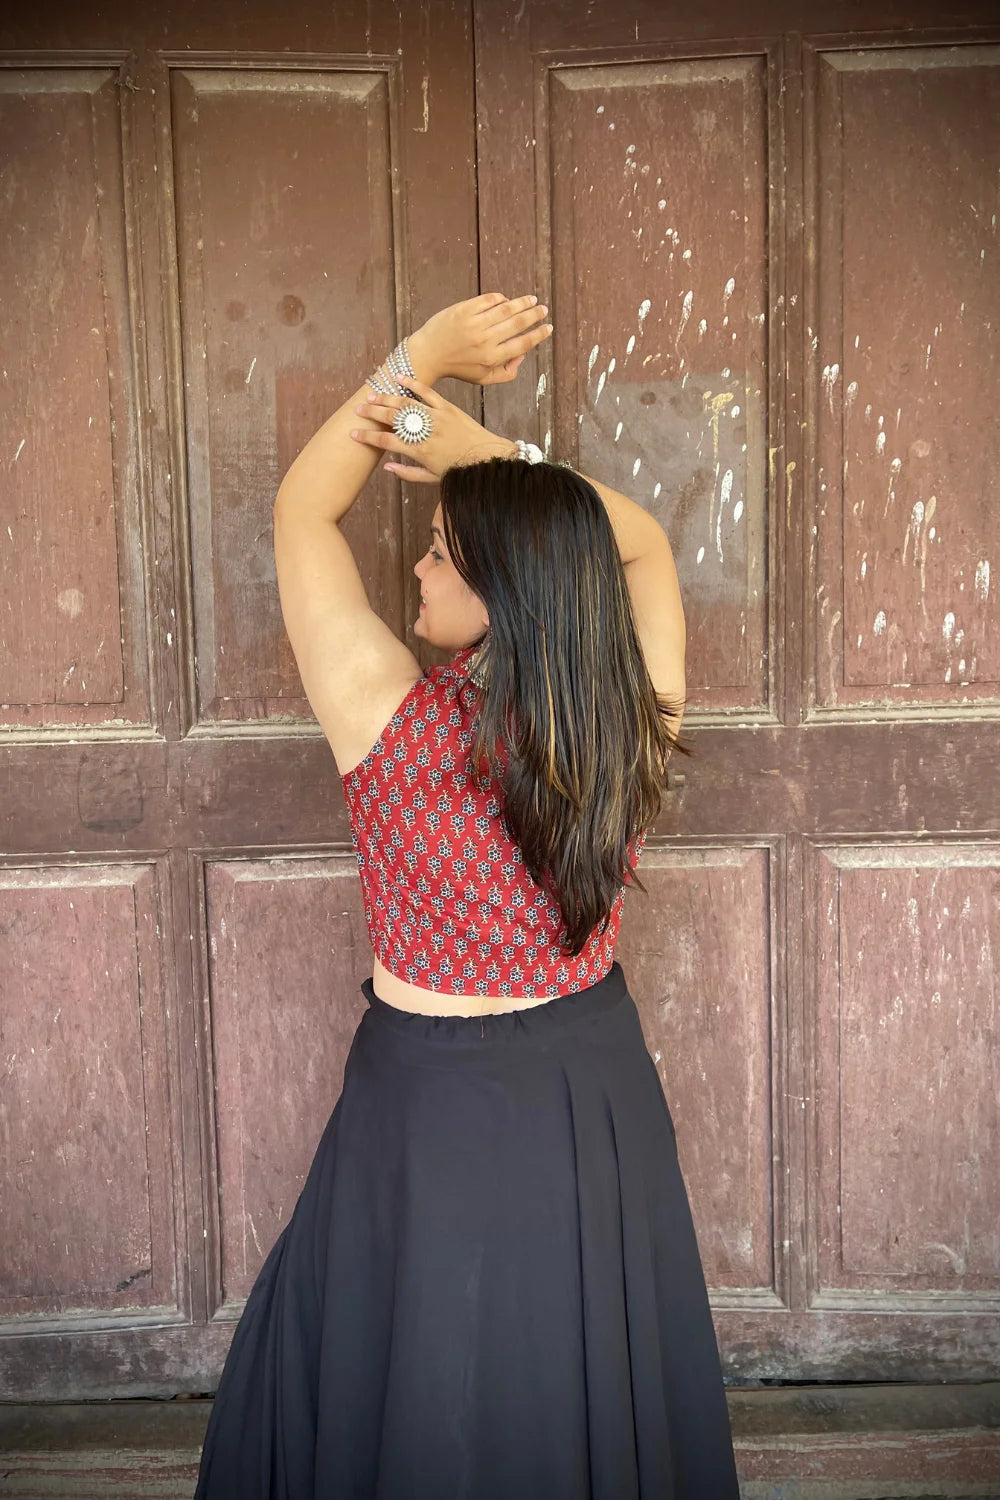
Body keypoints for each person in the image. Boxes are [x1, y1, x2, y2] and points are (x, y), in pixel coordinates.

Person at [194, 294, 740, 1498]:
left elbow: (302, 507)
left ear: (504, 586)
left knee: (412, 1384)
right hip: (589, 1085)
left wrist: (417, 368)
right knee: (574, 1375)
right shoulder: (627, 714)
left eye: (444, 549)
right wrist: (480, 458)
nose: (420, 567)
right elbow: (634, 543)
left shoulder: (387, 718)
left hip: (426, 1098)